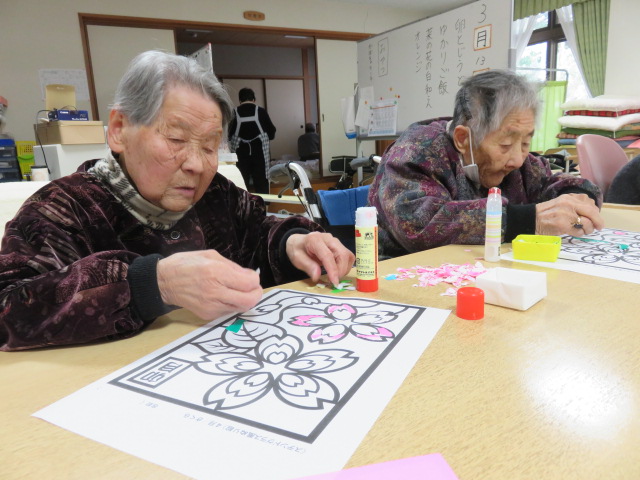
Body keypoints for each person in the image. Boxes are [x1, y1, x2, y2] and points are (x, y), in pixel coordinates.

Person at [0, 51, 354, 351]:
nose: (197, 165)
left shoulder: (216, 194)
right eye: (176, 137)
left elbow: (259, 230)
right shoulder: (63, 208)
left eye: (210, 145)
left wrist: (292, 243)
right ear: (119, 129)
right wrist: (153, 283)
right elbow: (9, 306)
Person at [368, 69, 604, 257]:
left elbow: (553, 182)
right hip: (404, 277)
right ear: (462, 138)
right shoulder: (414, 153)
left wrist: (578, 197)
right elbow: (419, 225)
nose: (517, 159)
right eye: (504, 144)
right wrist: (528, 220)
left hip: (486, 269)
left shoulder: (518, 162)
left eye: (525, 143)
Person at [228, 87, 276, 194]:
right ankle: (263, 207)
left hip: (240, 156)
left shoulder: (233, 113)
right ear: (254, 99)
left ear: (240, 101)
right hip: (260, 155)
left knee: (241, 183)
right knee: (261, 183)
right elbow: (272, 133)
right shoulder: (261, 111)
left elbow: (228, 135)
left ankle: (242, 208)